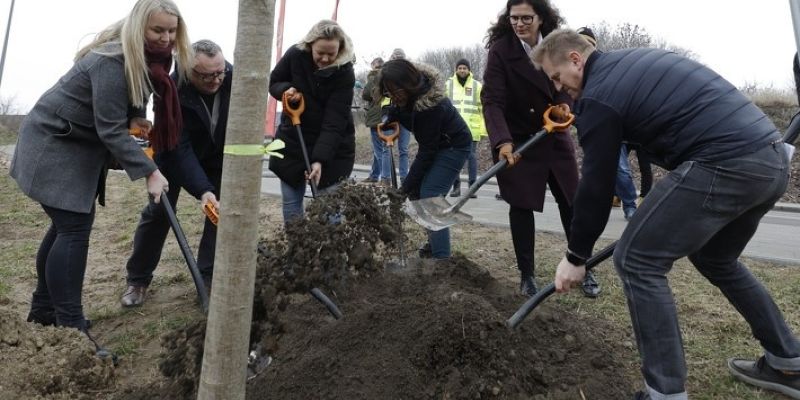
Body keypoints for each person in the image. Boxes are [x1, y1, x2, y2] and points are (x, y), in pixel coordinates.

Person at [534, 29, 800, 399]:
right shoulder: (630, 64)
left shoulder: (600, 96)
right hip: (770, 159)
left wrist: (576, 256)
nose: (561, 89)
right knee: (716, 258)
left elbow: (596, 185)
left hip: (726, 162)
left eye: (558, 78)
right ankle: (788, 360)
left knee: (637, 260)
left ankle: (664, 393)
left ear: (576, 60)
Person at [9, 0, 190, 332]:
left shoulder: (148, 58)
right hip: (53, 144)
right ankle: (71, 324)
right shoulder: (111, 60)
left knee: (67, 226)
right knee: (74, 228)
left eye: (171, 30)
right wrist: (151, 172)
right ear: (139, 27)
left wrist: (137, 113)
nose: (166, 38)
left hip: (72, 143)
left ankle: (44, 310)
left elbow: (136, 90)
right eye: (157, 30)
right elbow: (109, 128)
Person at [481, 0, 600, 298]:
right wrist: (502, 141)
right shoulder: (501, 52)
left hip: (555, 133)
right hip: (519, 139)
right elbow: (492, 100)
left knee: (572, 202)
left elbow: (571, 80)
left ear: (541, 17)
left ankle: (582, 265)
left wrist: (565, 105)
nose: (520, 24)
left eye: (526, 18)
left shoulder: (555, 42)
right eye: (514, 18)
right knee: (521, 206)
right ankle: (527, 275)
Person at [120, 39, 230, 307]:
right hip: (173, 154)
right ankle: (138, 279)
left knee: (219, 215)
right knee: (159, 214)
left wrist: (211, 192)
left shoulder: (233, 79)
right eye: (207, 76)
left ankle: (207, 278)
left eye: (220, 72)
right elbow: (181, 147)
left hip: (217, 157)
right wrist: (203, 190)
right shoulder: (170, 89)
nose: (216, 80)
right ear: (188, 70)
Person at [378, 59, 471, 259]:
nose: (394, 96)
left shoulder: (431, 106)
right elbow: (392, 108)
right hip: (436, 144)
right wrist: (387, 118)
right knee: (417, 193)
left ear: (409, 84)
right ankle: (433, 242)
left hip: (454, 145)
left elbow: (427, 153)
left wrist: (403, 189)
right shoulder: (403, 96)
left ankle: (441, 259)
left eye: (398, 92)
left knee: (430, 195)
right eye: (390, 93)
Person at [268, 20, 356, 223]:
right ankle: (297, 251)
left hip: (333, 145)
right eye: (320, 53)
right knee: (291, 205)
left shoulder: (345, 72)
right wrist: (285, 90)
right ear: (310, 46)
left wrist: (320, 159)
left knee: (329, 209)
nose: (325, 58)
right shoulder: (295, 55)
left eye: (331, 54)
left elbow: (334, 121)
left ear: (340, 50)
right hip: (293, 140)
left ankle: (330, 251)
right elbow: (274, 82)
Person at [576, 27, 637, 221]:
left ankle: (630, 205)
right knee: (597, 168)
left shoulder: (603, 65)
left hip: (613, 126)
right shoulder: (572, 69)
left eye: (588, 43)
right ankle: (601, 204)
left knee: (620, 168)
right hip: (590, 127)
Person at [445, 58, 487, 199]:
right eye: (460, 68)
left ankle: (472, 188)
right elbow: (443, 107)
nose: (462, 70)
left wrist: (482, 129)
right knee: (454, 158)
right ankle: (456, 187)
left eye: (465, 68)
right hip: (453, 128)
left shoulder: (477, 85)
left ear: (469, 70)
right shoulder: (448, 85)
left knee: (471, 157)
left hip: (472, 128)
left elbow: (483, 109)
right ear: (456, 70)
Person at [361, 57, 391, 186]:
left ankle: (385, 178)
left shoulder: (375, 77)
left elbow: (366, 94)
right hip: (387, 115)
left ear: (374, 66)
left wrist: (371, 76)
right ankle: (374, 175)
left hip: (376, 117)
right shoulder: (389, 77)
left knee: (379, 150)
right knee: (379, 150)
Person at [386, 48, 411, 183]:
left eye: (400, 58)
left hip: (405, 114)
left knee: (404, 149)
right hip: (390, 114)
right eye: (395, 57)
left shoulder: (409, 74)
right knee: (387, 148)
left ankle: (404, 178)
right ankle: (386, 178)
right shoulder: (386, 73)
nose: (398, 60)